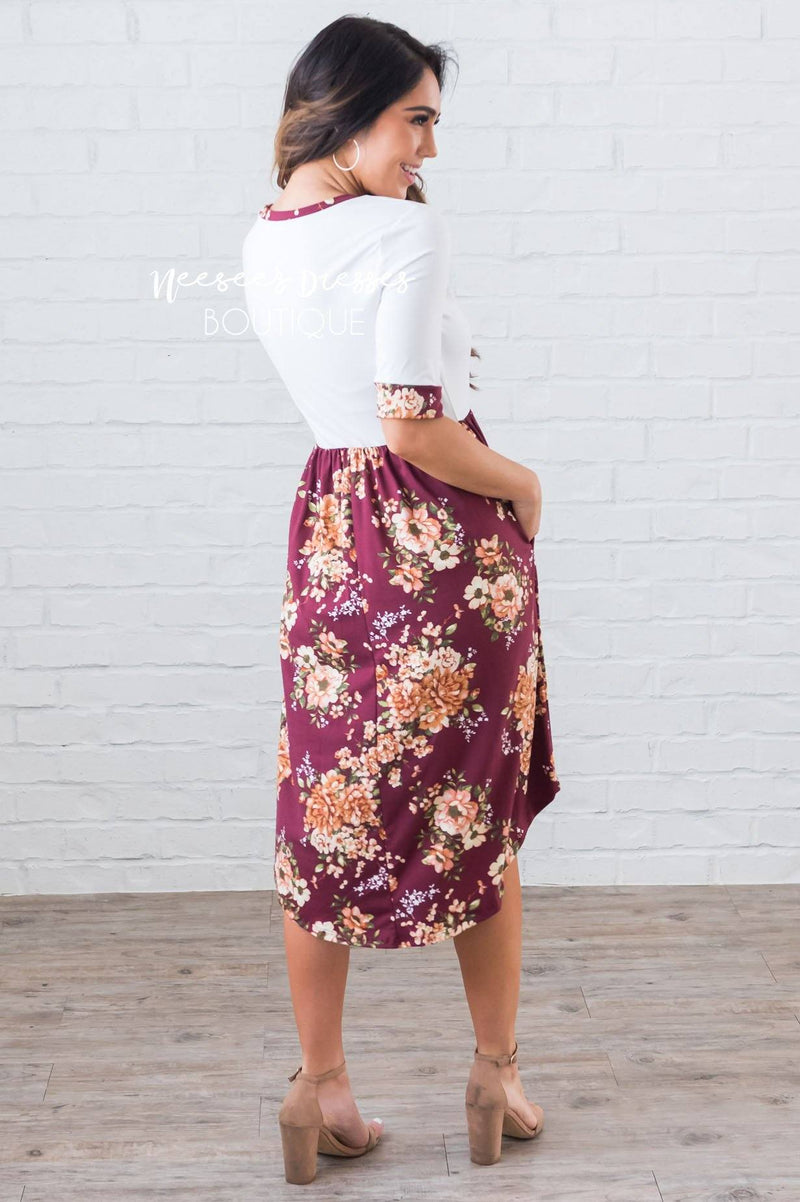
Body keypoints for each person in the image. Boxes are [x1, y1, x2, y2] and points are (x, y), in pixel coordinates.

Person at [242, 15, 561, 1184]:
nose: (427, 147)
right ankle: (493, 1073)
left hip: (333, 541)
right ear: (346, 111)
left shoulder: (263, 235)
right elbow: (413, 422)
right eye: (415, 119)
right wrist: (522, 484)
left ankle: (317, 1085)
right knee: (475, 812)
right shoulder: (404, 232)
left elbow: (354, 416)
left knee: (320, 815)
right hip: (437, 537)